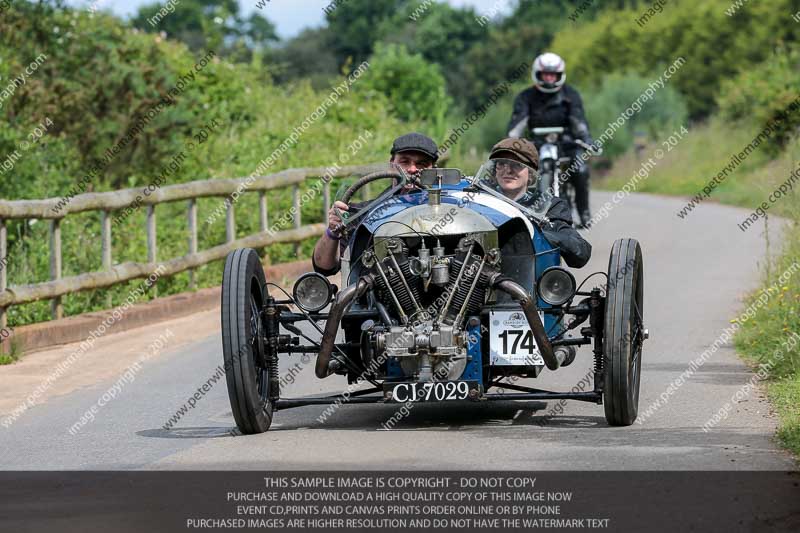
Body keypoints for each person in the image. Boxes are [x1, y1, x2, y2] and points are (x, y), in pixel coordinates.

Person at [312, 133, 438, 276]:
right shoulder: (364, 214)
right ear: (391, 165)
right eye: (404, 161)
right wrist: (332, 231)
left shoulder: (448, 212)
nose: (413, 169)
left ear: (434, 170)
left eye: (421, 164)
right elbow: (324, 267)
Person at [507, 52, 595, 228]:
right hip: (537, 144)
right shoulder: (526, 96)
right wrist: (511, 143)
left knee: (581, 169)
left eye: (552, 75)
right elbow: (517, 124)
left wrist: (586, 139)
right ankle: (521, 215)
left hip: (566, 143)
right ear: (537, 75)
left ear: (559, 75)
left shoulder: (570, 94)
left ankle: (584, 211)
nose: (549, 78)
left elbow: (579, 121)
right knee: (520, 173)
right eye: (545, 74)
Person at [488, 138, 591, 268]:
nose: (507, 170)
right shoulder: (479, 197)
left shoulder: (548, 206)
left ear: (530, 174)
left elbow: (581, 252)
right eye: (501, 163)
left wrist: (537, 234)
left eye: (517, 164)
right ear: (494, 170)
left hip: (526, 278)